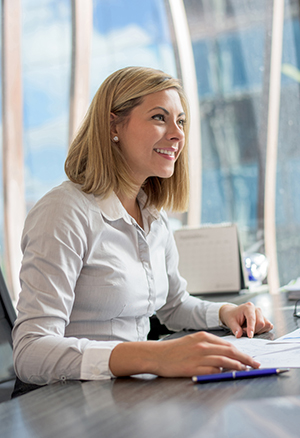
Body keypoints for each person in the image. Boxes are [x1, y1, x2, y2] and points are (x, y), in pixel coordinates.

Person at [12, 66, 273, 387]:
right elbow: (30, 351)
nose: (178, 134)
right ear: (113, 126)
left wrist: (224, 313)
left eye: (181, 121)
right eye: (159, 118)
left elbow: (174, 305)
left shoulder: (152, 214)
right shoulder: (64, 211)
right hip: (70, 400)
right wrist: (153, 356)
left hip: (128, 390)